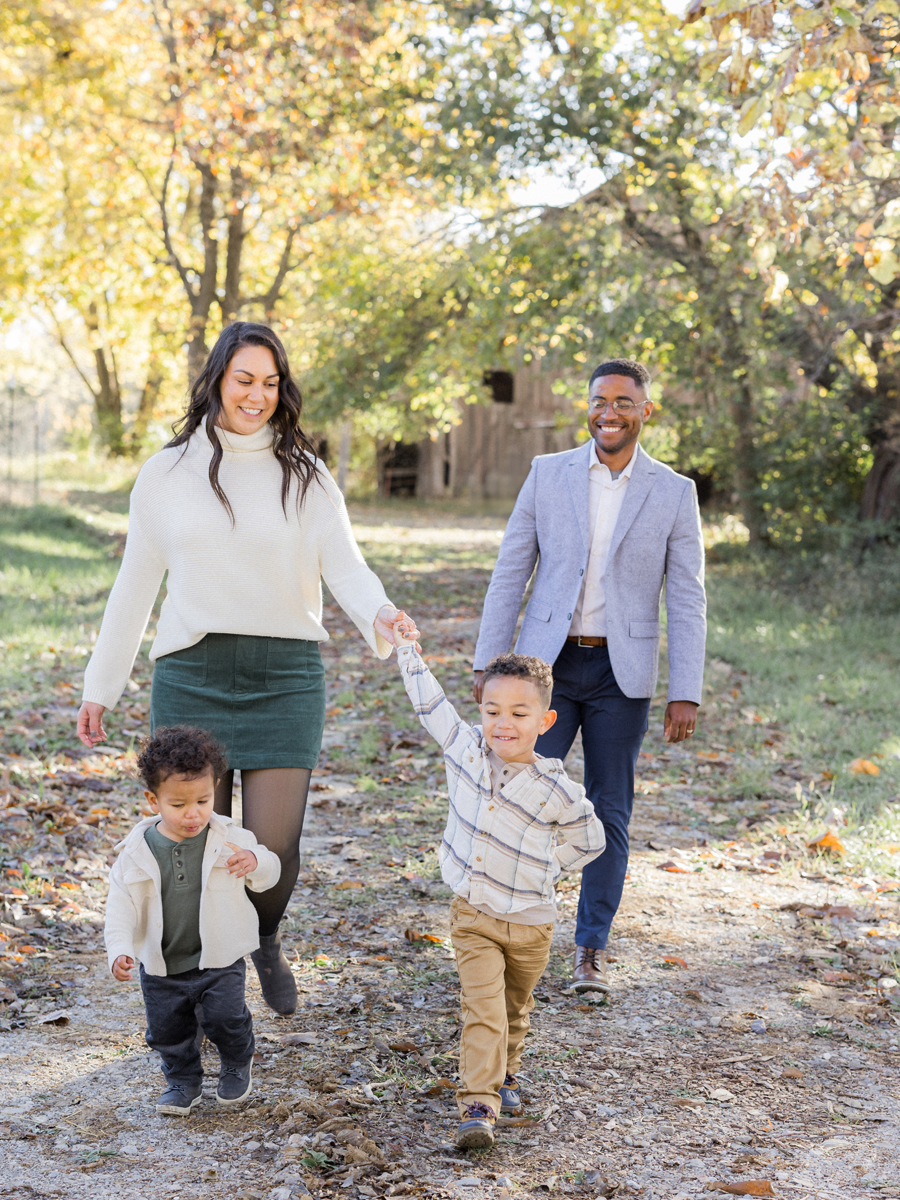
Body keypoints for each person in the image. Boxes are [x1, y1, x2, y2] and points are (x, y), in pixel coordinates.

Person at [78, 321, 404, 1016]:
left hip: (286, 674)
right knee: (193, 845)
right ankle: (199, 988)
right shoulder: (167, 473)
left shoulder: (307, 474)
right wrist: (100, 688)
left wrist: (379, 615)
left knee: (271, 850)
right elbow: (135, 586)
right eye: (244, 380)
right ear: (217, 380)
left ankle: (266, 939)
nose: (257, 396)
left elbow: (345, 566)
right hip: (193, 671)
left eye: (270, 383)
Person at [472, 358, 706, 994]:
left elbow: (686, 595)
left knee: (610, 810)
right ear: (588, 406)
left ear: (646, 411)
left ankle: (589, 950)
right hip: (543, 670)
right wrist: (488, 664)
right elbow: (510, 569)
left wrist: (685, 689)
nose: (610, 412)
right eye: (600, 400)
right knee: (518, 798)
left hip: (619, 672)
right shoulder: (547, 475)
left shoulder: (673, 491)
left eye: (625, 402)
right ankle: (504, 937)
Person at [392, 615, 605, 1150]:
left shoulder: (556, 787)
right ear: (480, 710)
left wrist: (549, 866)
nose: (502, 723)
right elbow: (429, 704)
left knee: (513, 1007)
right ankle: (478, 1105)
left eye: (518, 713)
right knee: (483, 1009)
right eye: (491, 710)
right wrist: (406, 649)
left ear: (546, 719)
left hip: (531, 923)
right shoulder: (464, 751)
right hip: (475, 915)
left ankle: (507, 1073)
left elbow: (591, 840)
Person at [105, 725, 281, 1116]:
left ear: (215, 788)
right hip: (162, 964)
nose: (194, 813)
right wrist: (118, 948)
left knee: (226, 1018)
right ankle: (182, 1081)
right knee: (168, 1031)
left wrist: (256, 861)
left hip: (220, 957)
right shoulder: (136, 851)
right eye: (179, 804)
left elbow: (269, 871)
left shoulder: (228, 836)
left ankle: (237, 1062)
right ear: (153, 800)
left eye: (203, 800)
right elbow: (120, 904)